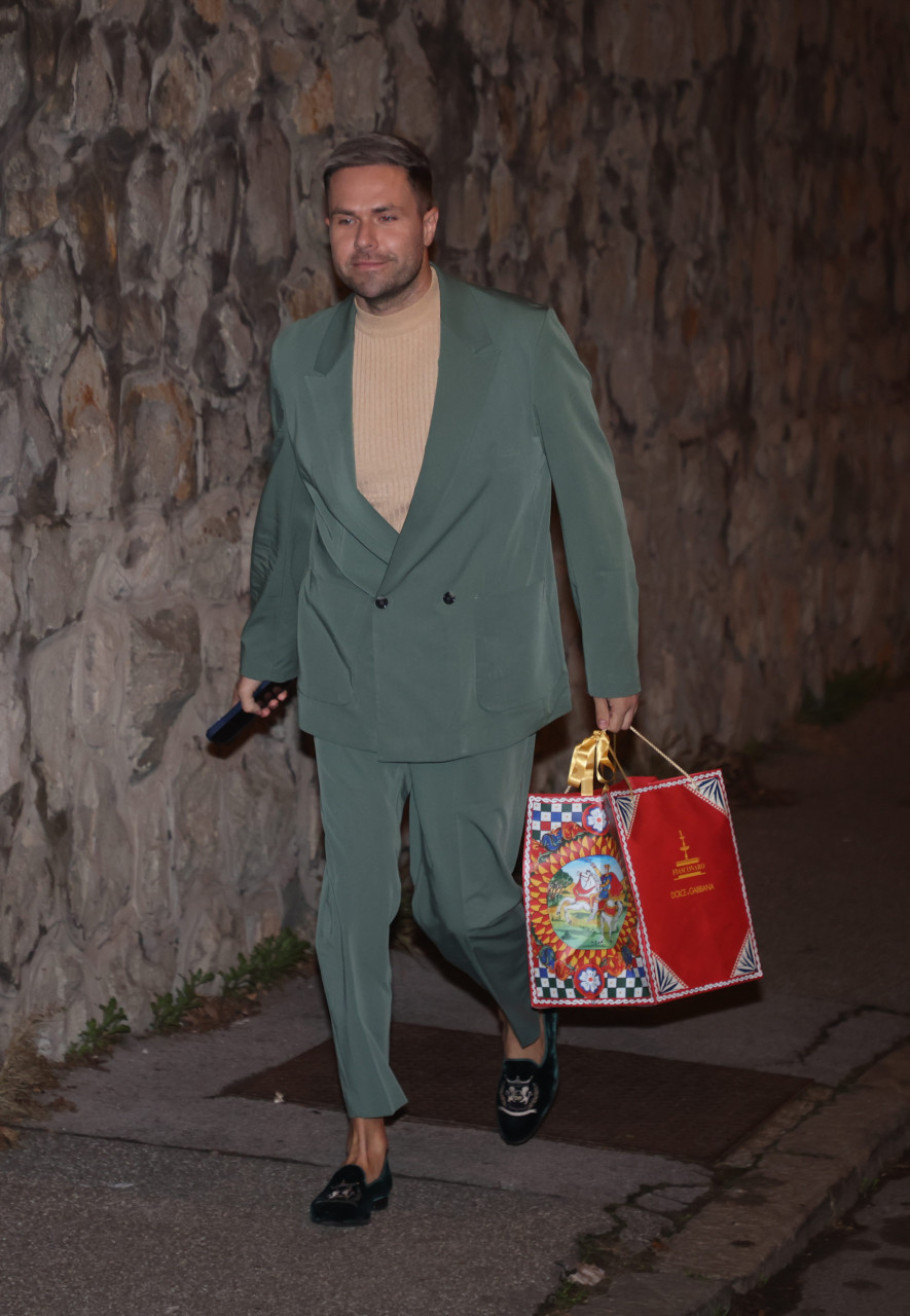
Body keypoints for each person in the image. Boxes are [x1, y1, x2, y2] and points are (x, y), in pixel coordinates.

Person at [234, 133, 640, 1227]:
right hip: (351, 662)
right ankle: (365, 1135)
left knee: (460, 903)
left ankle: (528, 1016)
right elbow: (289, 514)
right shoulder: (303, 357)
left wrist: (613, 657)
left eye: (384, 216)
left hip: (476, 670)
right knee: (353, 909)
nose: (363, 240)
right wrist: (268, 647)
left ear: (428, 223)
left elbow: (590, 501)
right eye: (343, 220)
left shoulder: (518, 340)